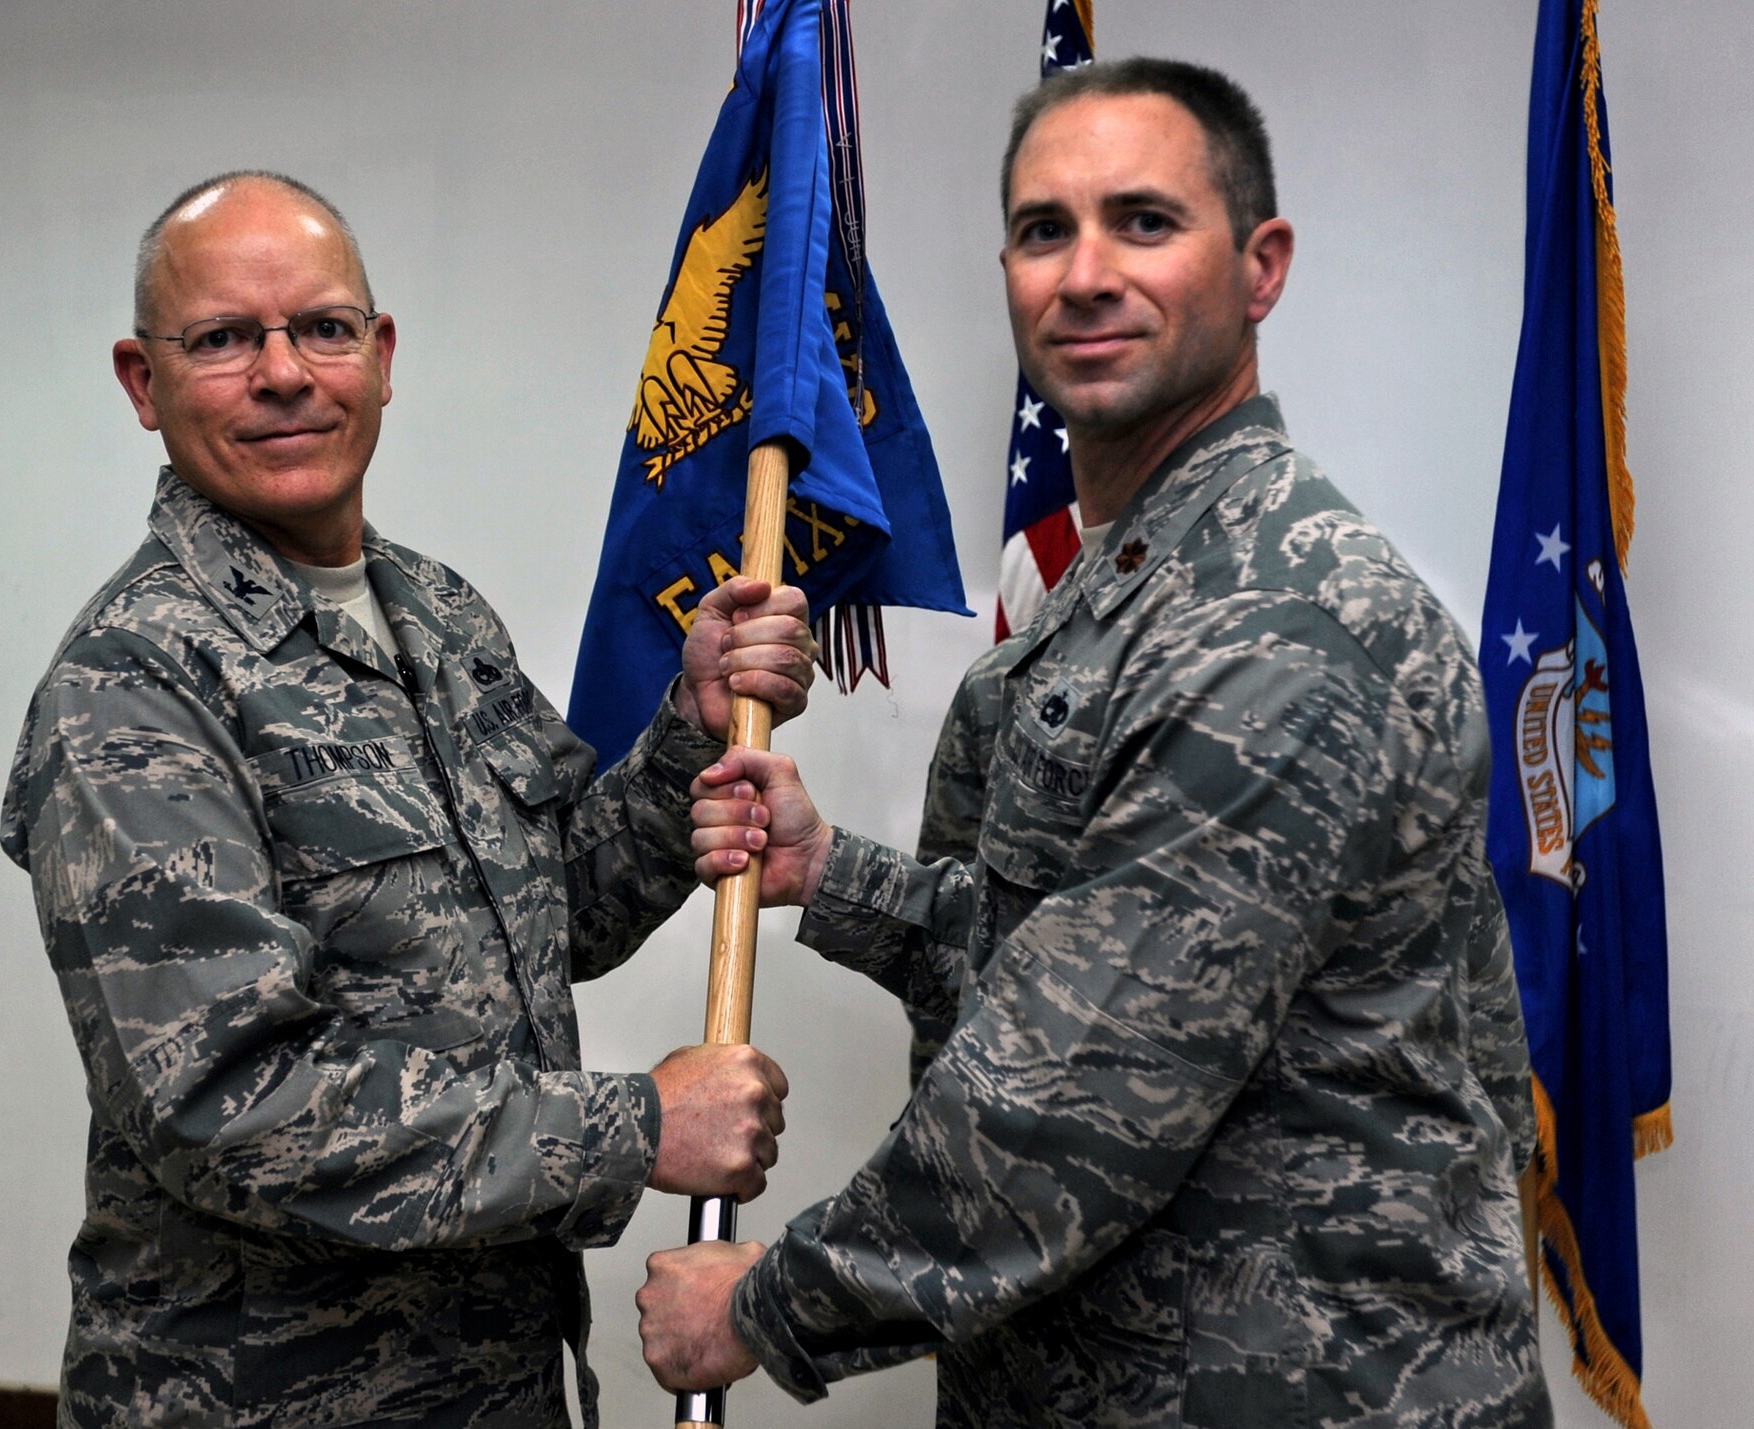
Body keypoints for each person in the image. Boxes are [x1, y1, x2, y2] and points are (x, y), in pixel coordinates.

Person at [637, 59, 1552, 1427]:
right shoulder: (1133, 583)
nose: (1084, 274)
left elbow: (1075, 1096)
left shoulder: (1277, 618)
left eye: (1143, 221)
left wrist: (767, 1306)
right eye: (1044, 229)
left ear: (1261, 265)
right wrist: (835, 876)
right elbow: (1069, 935)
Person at [0, 170, 817, 1429]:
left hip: (486, 1380)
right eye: (223, 338)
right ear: (141, 381)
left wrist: (684, 738)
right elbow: (226, 1108)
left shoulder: (436, 612)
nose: (283, 371)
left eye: (322, 328)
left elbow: (549, 918)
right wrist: (633, 1126)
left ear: (380, 358)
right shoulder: (133, 685)